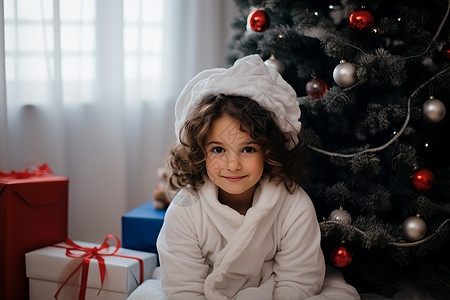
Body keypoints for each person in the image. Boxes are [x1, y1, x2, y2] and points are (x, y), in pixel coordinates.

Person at [128, 55, 360, 299]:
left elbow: (298, 281)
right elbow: (184, 288)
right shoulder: (186, 210)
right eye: (218, 149)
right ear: (200, 152)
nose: (233, 165)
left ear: (269, 151)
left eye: (248, 149)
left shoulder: (293, 204)